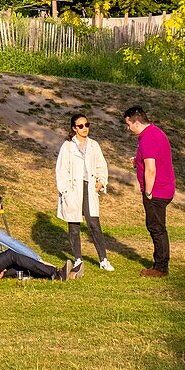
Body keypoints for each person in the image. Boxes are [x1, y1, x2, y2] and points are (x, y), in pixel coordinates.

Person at [0, 194, 78, 281]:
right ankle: (57, 273)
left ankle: (41, 273)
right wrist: (38, 258)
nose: (2, 211)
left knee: (19, 265)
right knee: (12, 254)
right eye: (1, 209)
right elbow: (11, 243)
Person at [56, 113, 114, 272]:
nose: (84, 129)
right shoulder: (67, 146)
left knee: (94, 224)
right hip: (74, 189)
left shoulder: (94, 145)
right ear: (74, 128)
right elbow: (61, 170)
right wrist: (66, 191)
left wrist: (101, 181)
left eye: (86, 125)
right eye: (80, 126)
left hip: (89, 188)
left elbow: (102, 165)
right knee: (74, 225)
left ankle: (103, 259)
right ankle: (78, 259)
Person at [124, 105, 176, 277]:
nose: (128, 128)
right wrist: (136, 161)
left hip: (157, 192)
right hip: (164, 188)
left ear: (136, 121)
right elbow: (149, 159)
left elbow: (151, 169)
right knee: (157, 226)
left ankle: (160, 267)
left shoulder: (147, 138)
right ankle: (161, 263)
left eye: (128, 124)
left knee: (156, 227)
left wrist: (148, 192)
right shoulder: (154, 132)